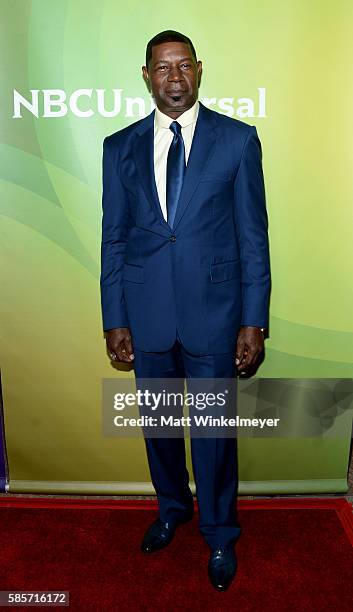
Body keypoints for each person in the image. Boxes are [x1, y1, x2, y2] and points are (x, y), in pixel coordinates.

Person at [100, 30, 271, 592]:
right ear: (146, 76)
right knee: (159, 426)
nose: (174, 77)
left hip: (216, 316)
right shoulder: (119, 147)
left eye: (183, 66)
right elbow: (115, 240)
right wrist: (114, 317)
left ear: (199, 70)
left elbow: (254, 237)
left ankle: (221, 532)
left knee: (215, 433)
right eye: (162, 67)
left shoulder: (237, 141)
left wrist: (253, 318)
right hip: (146, 315)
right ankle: (172, 507)